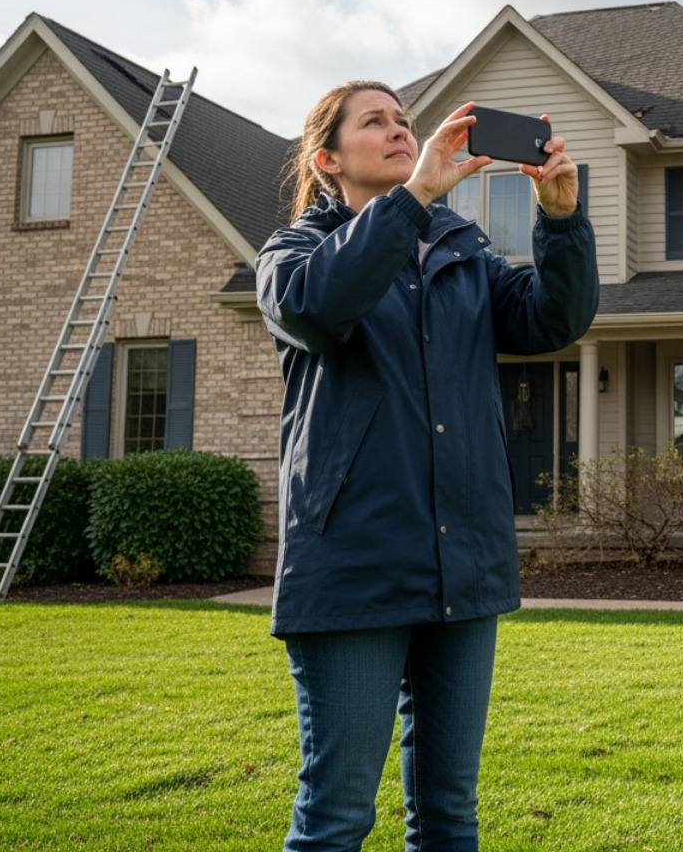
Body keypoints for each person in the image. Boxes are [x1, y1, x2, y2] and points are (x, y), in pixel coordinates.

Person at [255, 81, 598, 852]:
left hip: (464, 562)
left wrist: (563, 217)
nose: (401, 129)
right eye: (375, 121)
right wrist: (414, 197)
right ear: (328, 159)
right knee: (336, 818)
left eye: (405, 119)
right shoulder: (294, 253)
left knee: (449, 814)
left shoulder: (463, 249)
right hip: (353, 565)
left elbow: (553, 320)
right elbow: (317, 309)